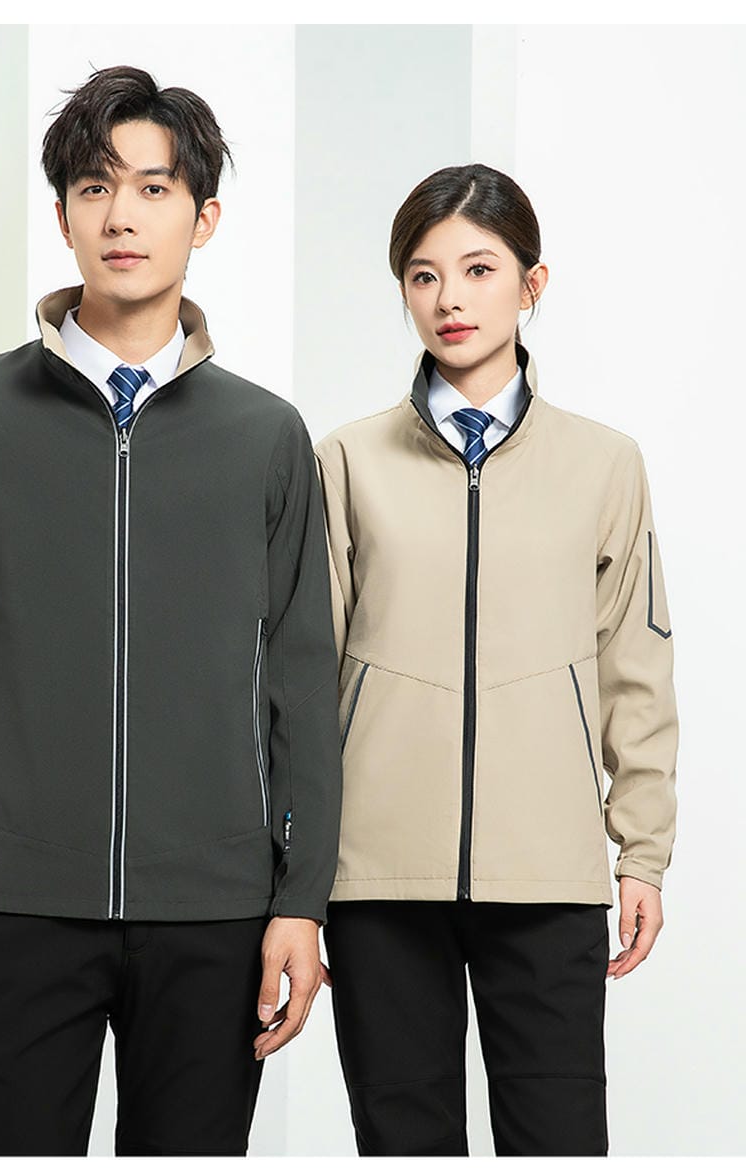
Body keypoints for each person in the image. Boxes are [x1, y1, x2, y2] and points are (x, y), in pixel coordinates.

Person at [0, 64, 342, 1157]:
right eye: (93, 187)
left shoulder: (266, 438)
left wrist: (300, 899)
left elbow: (303, 678)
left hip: (215, 911)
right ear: (64, 214)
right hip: (13, 902)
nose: (122, 216)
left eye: (154, 189)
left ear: (204, 218)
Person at [314, 163, 677, 1156]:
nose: (450, 299)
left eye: (479, 269)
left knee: (558, 1141)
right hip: (378, 881)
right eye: (423, 275)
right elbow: (303, 677)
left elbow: (635, 667)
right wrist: (297, 877)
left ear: (531, 284)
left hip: (548, 876)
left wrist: (641, 852)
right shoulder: (345, 461)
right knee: (403, 1143)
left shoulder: (604, 464)